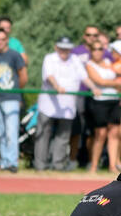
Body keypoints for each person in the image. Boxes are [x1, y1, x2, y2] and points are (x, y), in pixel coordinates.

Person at [36, 36, 85, 171]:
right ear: (56, 47)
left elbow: (84, 76)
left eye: (67, 49)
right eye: (62, 48)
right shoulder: (49, 58)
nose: (64, 51)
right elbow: (49, 76)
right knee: (43, 134)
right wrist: (57, 87)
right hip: (48, 105)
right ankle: (40, 166)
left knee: (63, 137)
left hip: (67, 106)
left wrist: (95, 88)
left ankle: (57, 165)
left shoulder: (75, 60)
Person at [83, 37, 121, 174]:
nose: (97, 52)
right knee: (100, 134)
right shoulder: (89, 65)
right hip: (99, 102)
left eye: (100, 49)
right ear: (91, 51)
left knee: (114, 133)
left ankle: (112, 166)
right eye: (94, 49)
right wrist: (119, 84)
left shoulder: (109, 62)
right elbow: (100, 81)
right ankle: (94, 166)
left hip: (114, 100)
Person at [0, 28, 28, 172]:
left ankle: (12, 163)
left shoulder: (14, 55)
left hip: (11, 97)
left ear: (7, 40)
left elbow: (23, 75)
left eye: (2, 39)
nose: (0, 42)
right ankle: (4, 161)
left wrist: (18, 92)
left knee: (11, 131)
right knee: (0, 132)